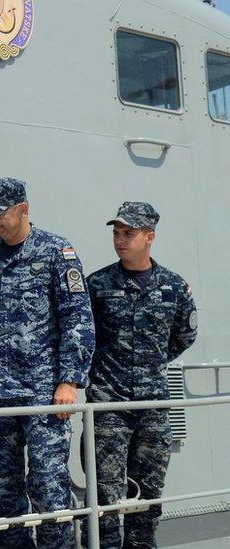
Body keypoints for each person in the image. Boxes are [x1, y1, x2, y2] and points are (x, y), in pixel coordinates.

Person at [0, 177, 95, 549]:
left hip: (44, 395)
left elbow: (77, 318)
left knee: (49, 488)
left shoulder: (55, 252)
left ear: (23, 209)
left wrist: (70, 380)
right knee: (2, 497)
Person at [83, 202, 197, 548]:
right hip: (107, 408)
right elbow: (83, 337)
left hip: (153, 408)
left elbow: (184, 335)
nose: (120, 240)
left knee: (147, 495)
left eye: (128, 233)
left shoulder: (174, 287)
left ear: (150, 237)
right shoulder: (97, 285)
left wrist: (148, 364)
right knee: (105, 495)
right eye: (117, 233)